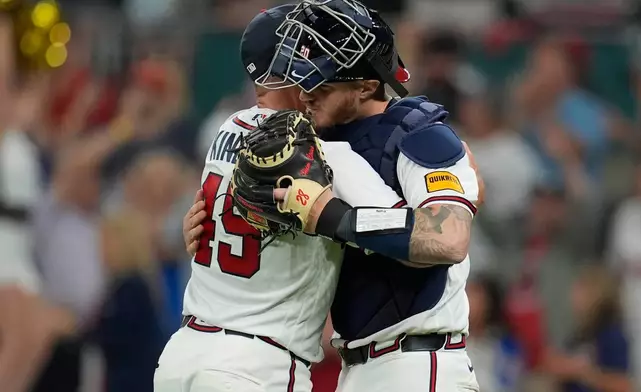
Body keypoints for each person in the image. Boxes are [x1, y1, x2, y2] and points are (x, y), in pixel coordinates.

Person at [184, 1, 484, 391]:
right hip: (355, 365)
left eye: (321, 84)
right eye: (299, 78)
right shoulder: (313, 138)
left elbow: (448, 238)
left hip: (418, 361)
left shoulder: (421, 135)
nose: (306, 93)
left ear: (365, 84)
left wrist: (329, 214)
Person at [154, 5, 406, 392]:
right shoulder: (321, 152)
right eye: (309, 57)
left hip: (182, 355)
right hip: (256, 365)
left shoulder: (225, 127)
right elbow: (405, 229)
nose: (320, 68)